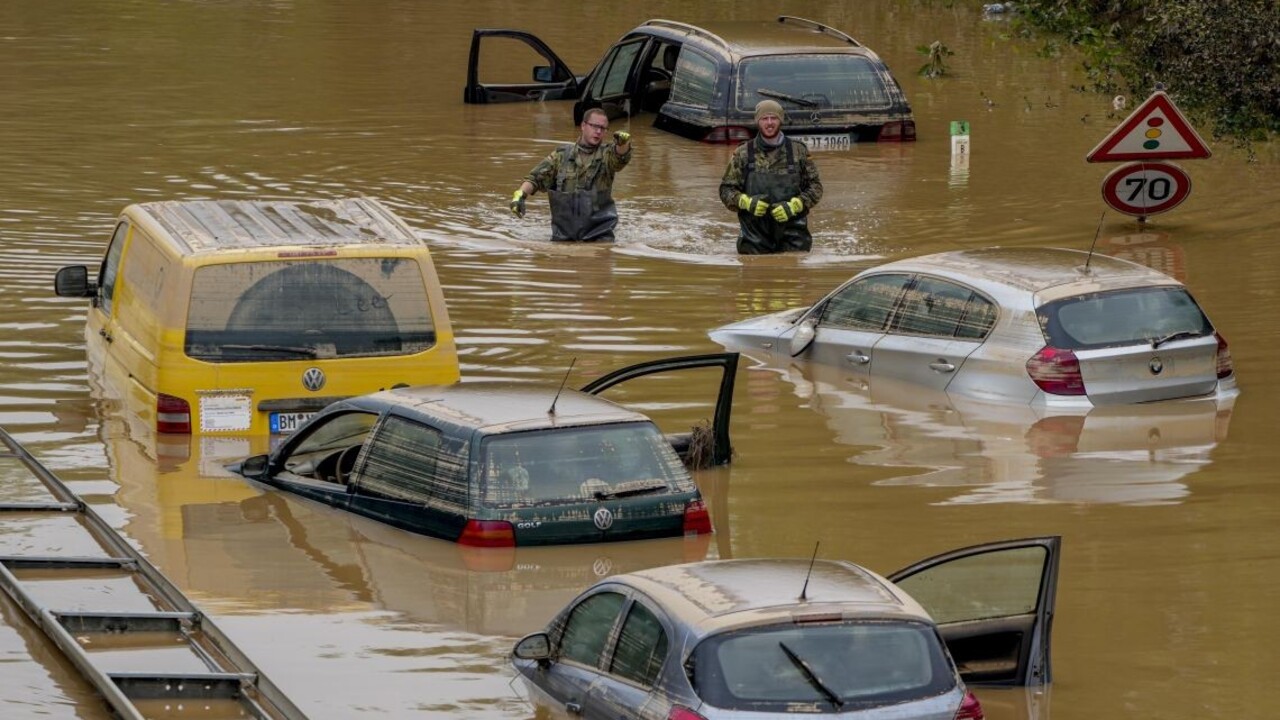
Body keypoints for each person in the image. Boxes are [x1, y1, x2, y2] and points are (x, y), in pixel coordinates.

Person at [509, 108, 633, 241]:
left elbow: (620, 158)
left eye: (603, 128)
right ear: (583, 126)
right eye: (595, 126)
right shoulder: (561, 156)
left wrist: (623, 144)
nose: (598, 131)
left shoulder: (607, 155)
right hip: (563, 236)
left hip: (600, 236)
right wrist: (520, 195)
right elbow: (535, 178)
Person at [718, 99, 823, 254]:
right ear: (757, 121)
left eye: (773, 118)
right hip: (754, 239)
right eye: (764, 118)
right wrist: (745, 202)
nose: (769, 123)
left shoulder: (798, 151)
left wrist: (796, 205)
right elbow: (726, 190)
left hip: (794, 237)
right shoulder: (743, 153)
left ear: (780, 120)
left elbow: (816, 187)